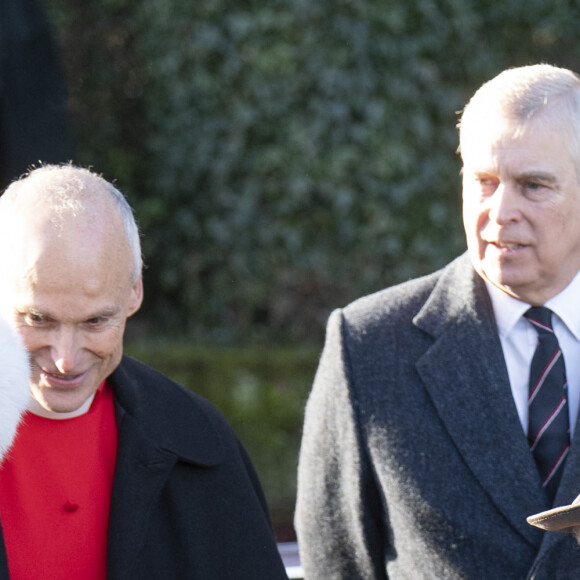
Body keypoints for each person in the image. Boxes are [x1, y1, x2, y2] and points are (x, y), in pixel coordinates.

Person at [295, 63, 580, 579]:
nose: (499, 212)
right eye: (484, 182)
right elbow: (336, 566)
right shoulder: (369, 345)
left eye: (533, 186)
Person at [0, 164, 287, 579]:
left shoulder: (199, 439)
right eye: (38, 319)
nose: (65, 358)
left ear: (134, 292)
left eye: (95, 322)